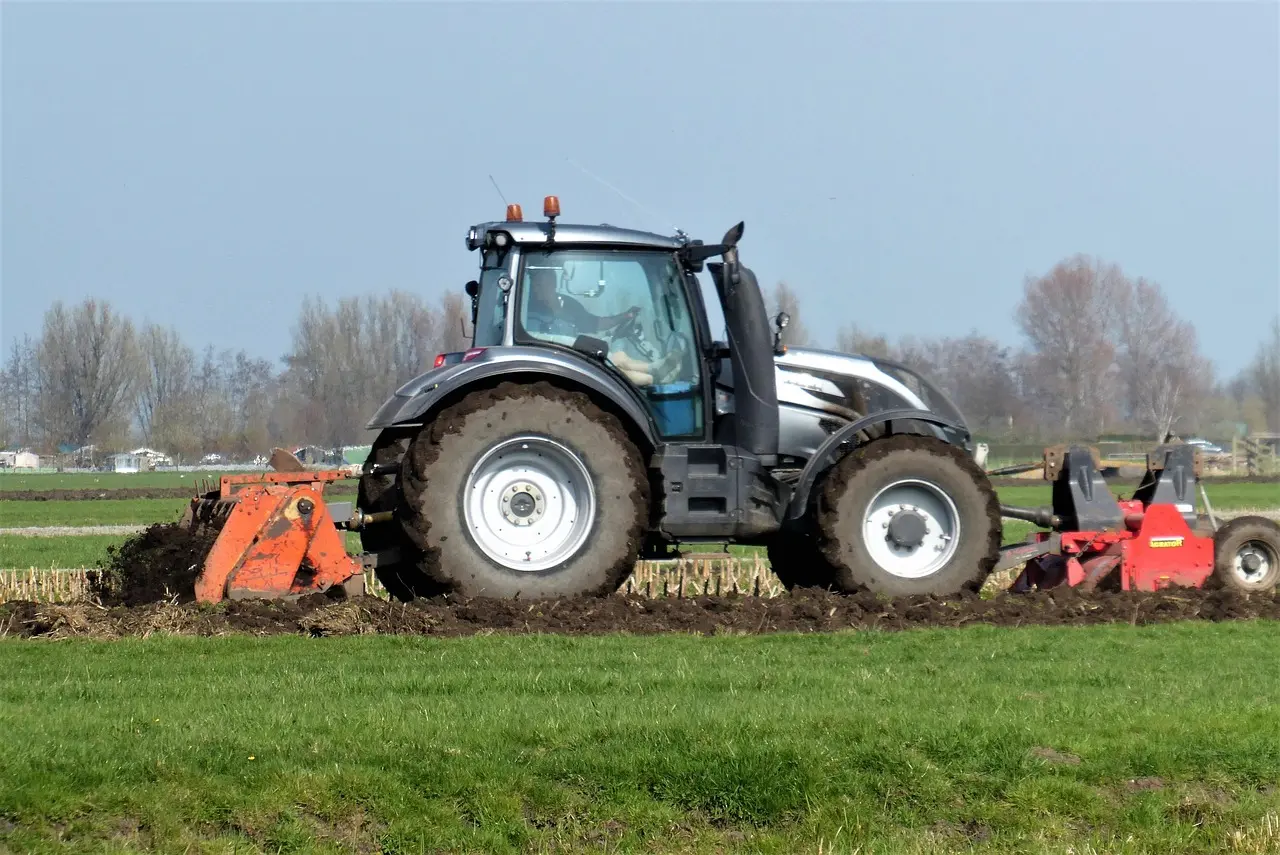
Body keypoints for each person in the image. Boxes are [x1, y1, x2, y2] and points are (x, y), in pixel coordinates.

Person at [523, 268, 684, 386]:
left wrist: (624, 317)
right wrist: (578, 345)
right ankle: (655, 379)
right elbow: (533, 339)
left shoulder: (567, 304)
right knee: (614, 368)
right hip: (555, 358)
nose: (537, 288)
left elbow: (594, 323)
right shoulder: (525, 309)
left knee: (618, 356)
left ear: (553, 283)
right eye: (535, 284)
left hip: (574, 353)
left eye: (541, 284)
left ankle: (654, 369)